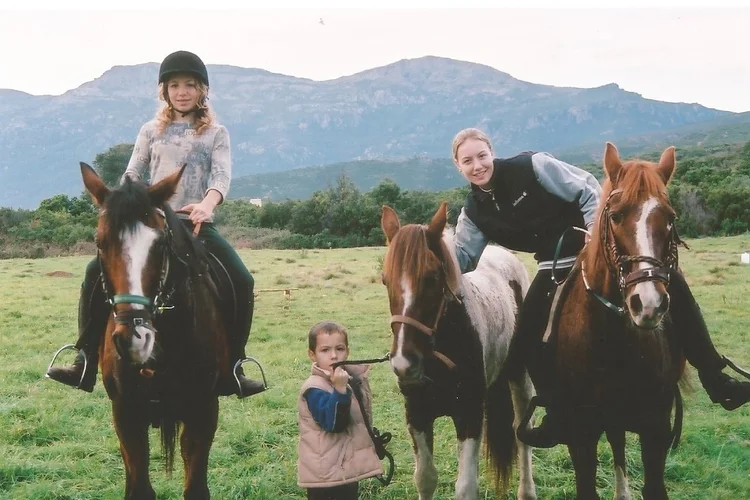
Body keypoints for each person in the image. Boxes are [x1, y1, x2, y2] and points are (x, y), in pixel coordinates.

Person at [450, 127, 750, 448]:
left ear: (491, 152)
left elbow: (588, 189)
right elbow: (462, 258)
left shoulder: (533, 167)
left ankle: (715, 377)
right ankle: (555, 410)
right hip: (552, 265)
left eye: (482, 155)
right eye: (468, 160)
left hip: (599, 249)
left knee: (672, 280)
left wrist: (596, 237)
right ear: (458, 166)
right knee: (526, 337)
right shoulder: (473, 212)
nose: (477, 165)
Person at [46, 50, 265, 398]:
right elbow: (133, 172)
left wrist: (207, 206)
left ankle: (234, 364)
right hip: (151, 225)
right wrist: (127, 202)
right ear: (164, 91)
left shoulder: (216, 133)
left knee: (242, 277)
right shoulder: (150, 130)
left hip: (194, 224)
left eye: (190, 85)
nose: (182, 92)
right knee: (93, 273)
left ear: (202, 90)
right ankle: (84, 358)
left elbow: (221, 176)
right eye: (175, 85)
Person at [297, 321, 383, 500]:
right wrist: (340, 391)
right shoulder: (314, 388)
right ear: (312, 355)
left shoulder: (352, 379)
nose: (334, 356)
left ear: (348, 351)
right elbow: (333, 423)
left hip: (345, 468)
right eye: (325, 350)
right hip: (325, 477)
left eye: (340, 348)